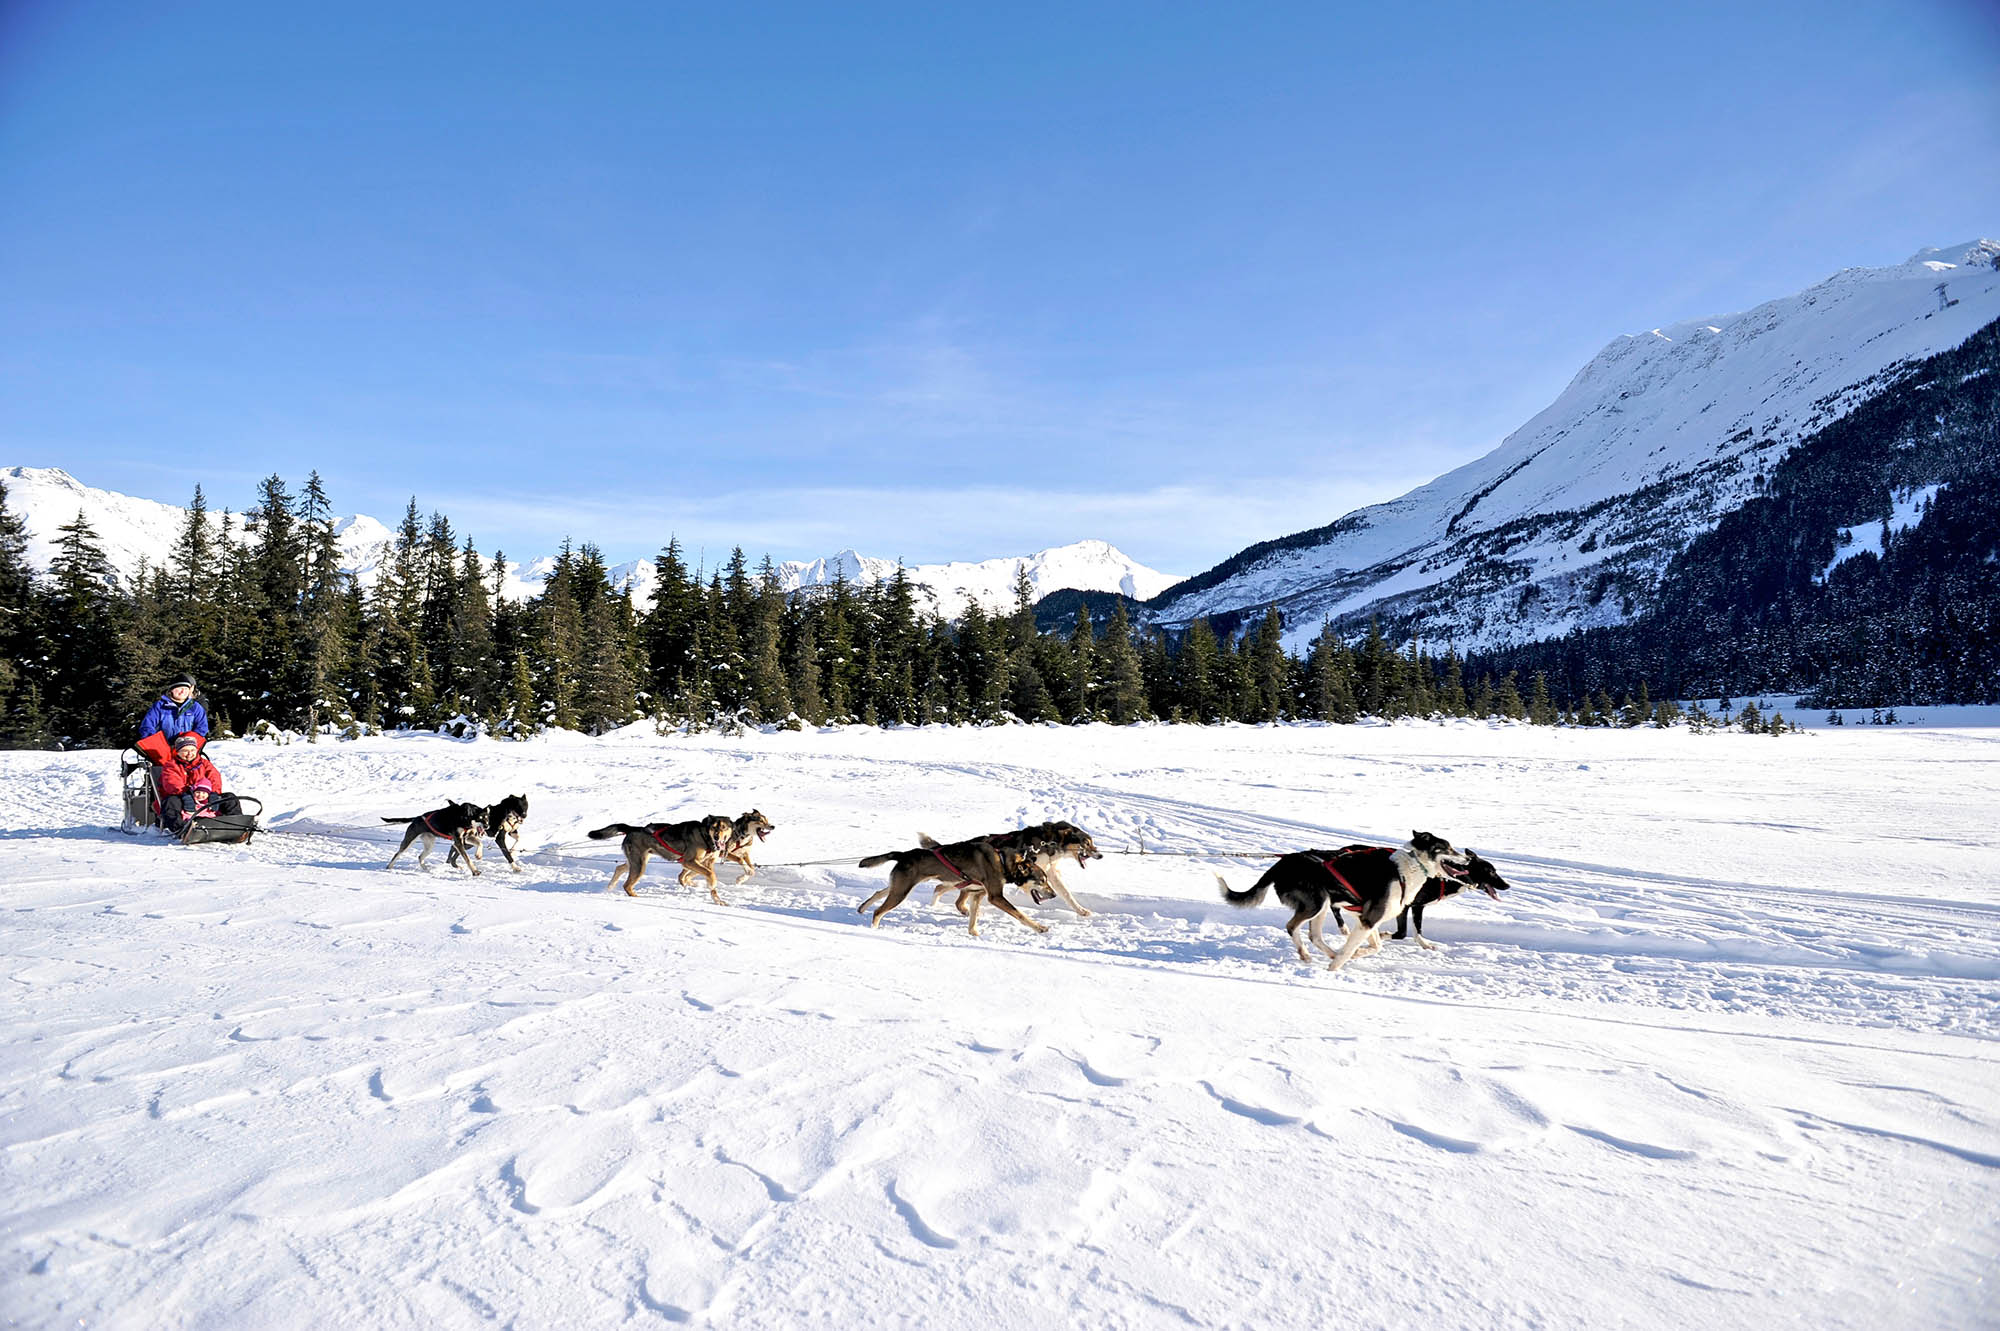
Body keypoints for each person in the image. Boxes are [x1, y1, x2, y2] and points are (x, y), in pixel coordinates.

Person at [155, 732, 241, 835]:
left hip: (205, 797)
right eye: (185, 751)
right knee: (170, 802)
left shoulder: (204, 763)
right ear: (178, 752)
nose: (190, 753)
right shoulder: (171, 765)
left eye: (192, 750)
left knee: (230, 798)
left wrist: (213, 793)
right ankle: (181, 830)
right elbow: (171, 782)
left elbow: (214, 777)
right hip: (182, 798)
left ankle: (237, 825)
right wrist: (186, 794)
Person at [139, 674, 209, 746]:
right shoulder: (159, 706)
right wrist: (156, 744)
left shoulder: (195, 707)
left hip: (187, 749)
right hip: (162, 748)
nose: (182, 691)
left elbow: (202, 728)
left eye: (185, 689)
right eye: (179, 688)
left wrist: (188, 743)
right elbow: (147, 726)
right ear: (171, 690)